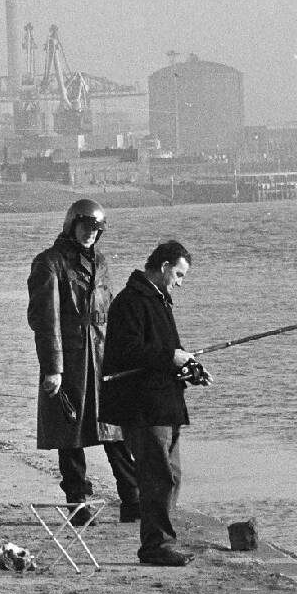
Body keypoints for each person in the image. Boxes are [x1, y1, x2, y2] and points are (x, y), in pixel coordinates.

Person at [28, 198, 138, 525]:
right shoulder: (49, 263)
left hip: (103, 357)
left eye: (96, 229)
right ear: (71, 225)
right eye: (86, 227)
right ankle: (78, 505)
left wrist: (125, 354)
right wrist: (53, 369)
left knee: (115, 431)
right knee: (70, 435)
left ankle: (132, 499)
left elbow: (110, 310)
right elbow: (45, 320)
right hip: (71, 361)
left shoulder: (100, 261)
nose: (91, 234)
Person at [101, 239, 210, 567]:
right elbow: (128, 352)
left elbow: (168, 353)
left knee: (171, 476)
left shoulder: (159, 299)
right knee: (157, 477)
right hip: (143, 407)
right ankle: (156, 545)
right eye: (179, 274)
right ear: (163, 267)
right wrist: (171, 357)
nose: (180, 282)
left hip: (166, 403)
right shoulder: (130, 302)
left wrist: (191, 370)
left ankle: (164, 541)